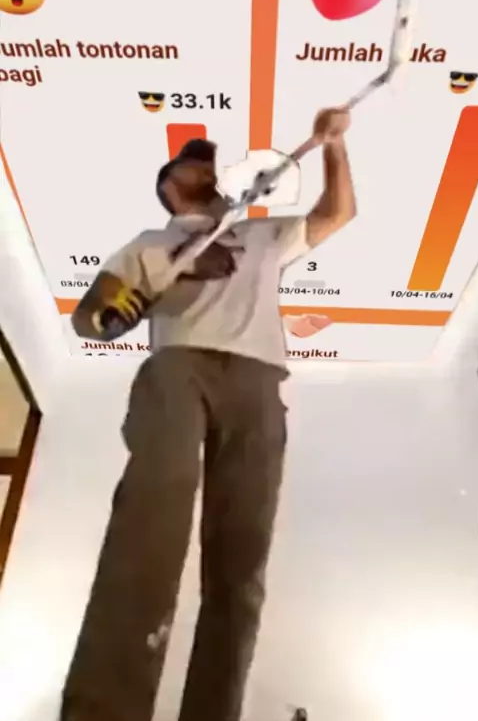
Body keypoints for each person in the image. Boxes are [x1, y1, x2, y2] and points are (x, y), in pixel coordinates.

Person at [60, 107, 355, 721]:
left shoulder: (261, 235)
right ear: (169, 187)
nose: (207, 175)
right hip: (179, 369)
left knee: (241, 561)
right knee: (153, 518)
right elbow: (91, 319)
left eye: (210, 169)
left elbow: (337, 214)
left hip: (258, 381)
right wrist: (142, 295)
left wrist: (333, 145)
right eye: (193, 169)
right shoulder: (150, 246)